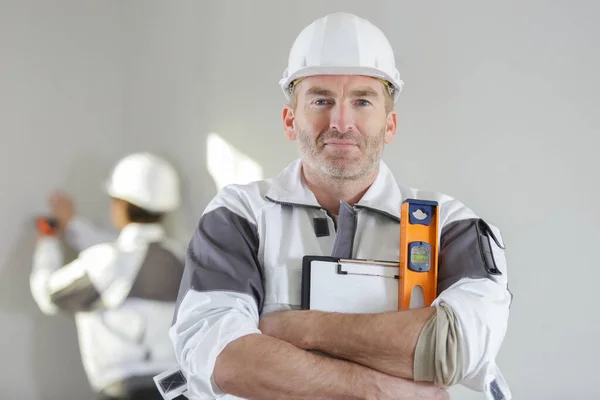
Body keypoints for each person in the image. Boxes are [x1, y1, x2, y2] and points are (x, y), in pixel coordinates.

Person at [169, 12, 512, 400]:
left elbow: (451, 348)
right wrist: (382, 389)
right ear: (289, 119)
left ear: (390, 124)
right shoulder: (239, 215)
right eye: (320, 100)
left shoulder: (450, 225)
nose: (340, 122)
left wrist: (289, 329)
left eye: (362, 101)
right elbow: (226, 360)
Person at [30, 152, 187, 400]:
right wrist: (72, 225)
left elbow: (47, 295)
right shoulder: (181, 257)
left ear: (120, 203)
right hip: (177, 385)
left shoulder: (110, 262)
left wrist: (47, 244)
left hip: (126, 389)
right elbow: (124, 256)